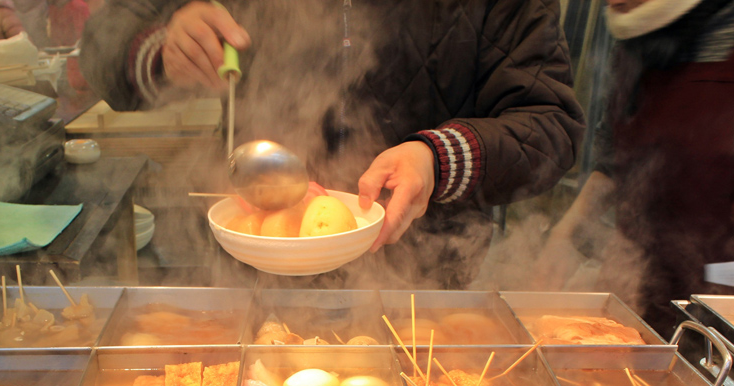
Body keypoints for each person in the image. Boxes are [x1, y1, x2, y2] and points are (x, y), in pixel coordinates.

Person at [80, 1, 584, 288]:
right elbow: (104, 39)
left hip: (421, 288)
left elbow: (550, 122)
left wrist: (437, 158)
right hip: (254, 271)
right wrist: (161, 48)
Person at [535, 0, 734, 337]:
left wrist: (718, 293)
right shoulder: (635, 36)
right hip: (632, 278)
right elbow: (614, 151)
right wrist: (568, 232)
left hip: (719, 299)